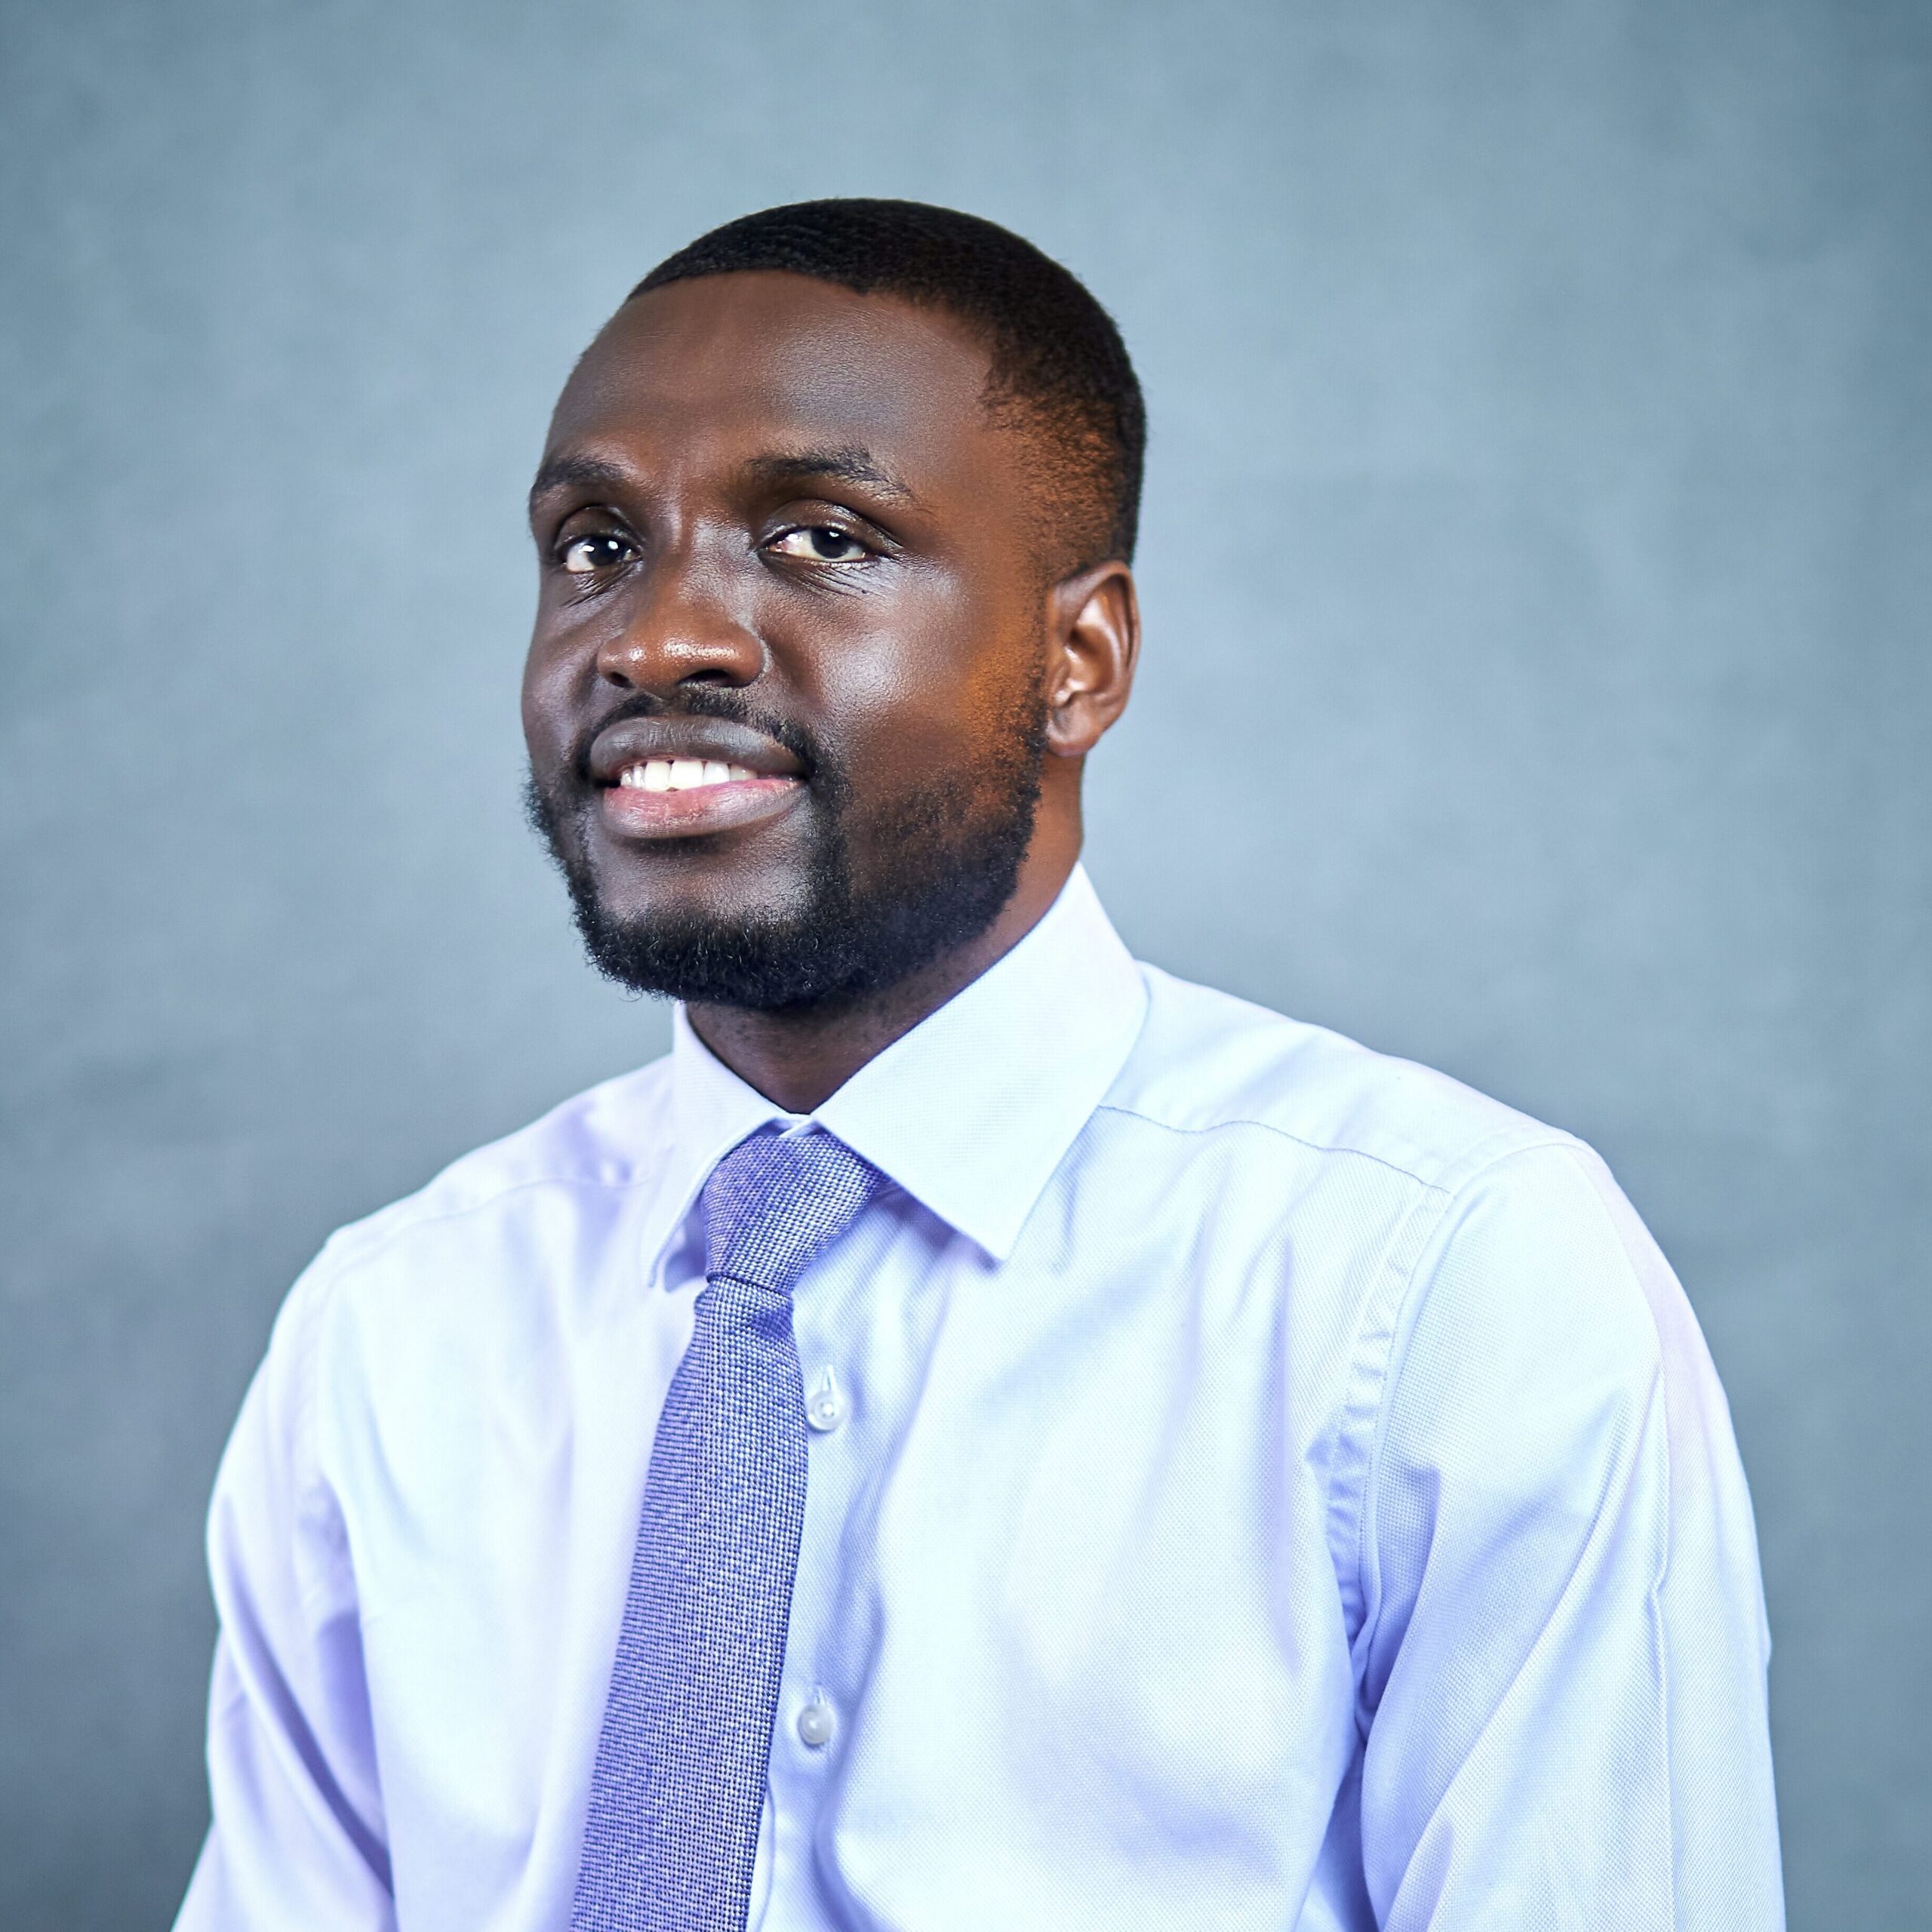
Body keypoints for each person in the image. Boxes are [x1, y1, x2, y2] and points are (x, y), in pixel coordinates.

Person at [174, 199, 1783, 1930]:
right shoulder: (388, 1331)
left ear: (1076, 663)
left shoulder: (1441, 1283)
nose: (653, 638)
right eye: (594, 545)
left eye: (820, 536)